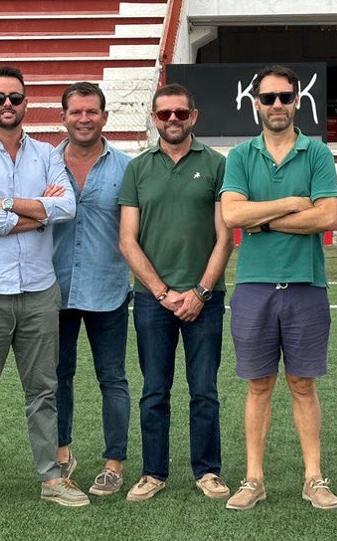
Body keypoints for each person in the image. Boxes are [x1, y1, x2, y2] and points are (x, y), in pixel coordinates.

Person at [0, 65, 81, 516]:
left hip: (40, 288)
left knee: (42, 390)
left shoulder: (46, 153)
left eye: (16, 98)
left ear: (27, 103)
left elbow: (67, 206)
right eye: (0, 98)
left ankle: (50, 476)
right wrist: (34, 211)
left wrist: (4, 201)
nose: (8, 105)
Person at [219, 64, 337, 511]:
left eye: (285, 97)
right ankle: (254, 479)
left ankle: (313, 478)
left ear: (296, 101)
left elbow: (327, 217)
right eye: (268, 98)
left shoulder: (317, 153)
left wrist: (261, 217)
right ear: (256, 104)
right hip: (253, 286)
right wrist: (292, 204)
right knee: (258, 386)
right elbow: (232, 215)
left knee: (303, 384)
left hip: (307, 285)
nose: (277, 105)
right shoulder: (239, 155)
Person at [118, 83, 232, 503]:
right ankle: (153, 472)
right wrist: (163, 292)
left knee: (204, 389)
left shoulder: (218, 165)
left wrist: (200, 291)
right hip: (152, 300)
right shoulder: (137, 169)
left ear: (193, 117)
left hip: (206, 297)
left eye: (179, 114)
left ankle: (207, 471)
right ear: (153, 118)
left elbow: (225, 238)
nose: (172, 121)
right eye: (164, 114)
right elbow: (128, 240)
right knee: (154, 390)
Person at [51, 82, 132, 497]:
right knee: (57, 378)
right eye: (76, 112)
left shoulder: (126, 166)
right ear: (63, 116)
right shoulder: (43, 164)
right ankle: (62, 456)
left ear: (104, 116)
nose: (84, 119)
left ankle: (113, 463)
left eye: (91, 112)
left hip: (109, 289)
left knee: (112, 378)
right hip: (53, 290)